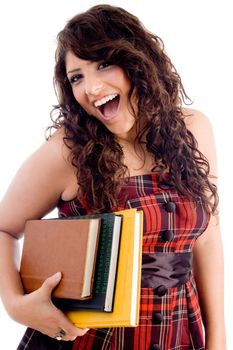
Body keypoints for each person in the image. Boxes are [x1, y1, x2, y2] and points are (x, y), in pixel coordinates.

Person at [0, 4, 226, 350]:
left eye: (103, 64)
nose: (91, 88)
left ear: (138, 60)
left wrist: (219, 339)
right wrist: (16, 306)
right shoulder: (68, 151)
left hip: (179, 333)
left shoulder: (194, 129)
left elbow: (208, 236)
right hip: (90, 339)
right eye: (77, 77)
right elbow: (3, 228)